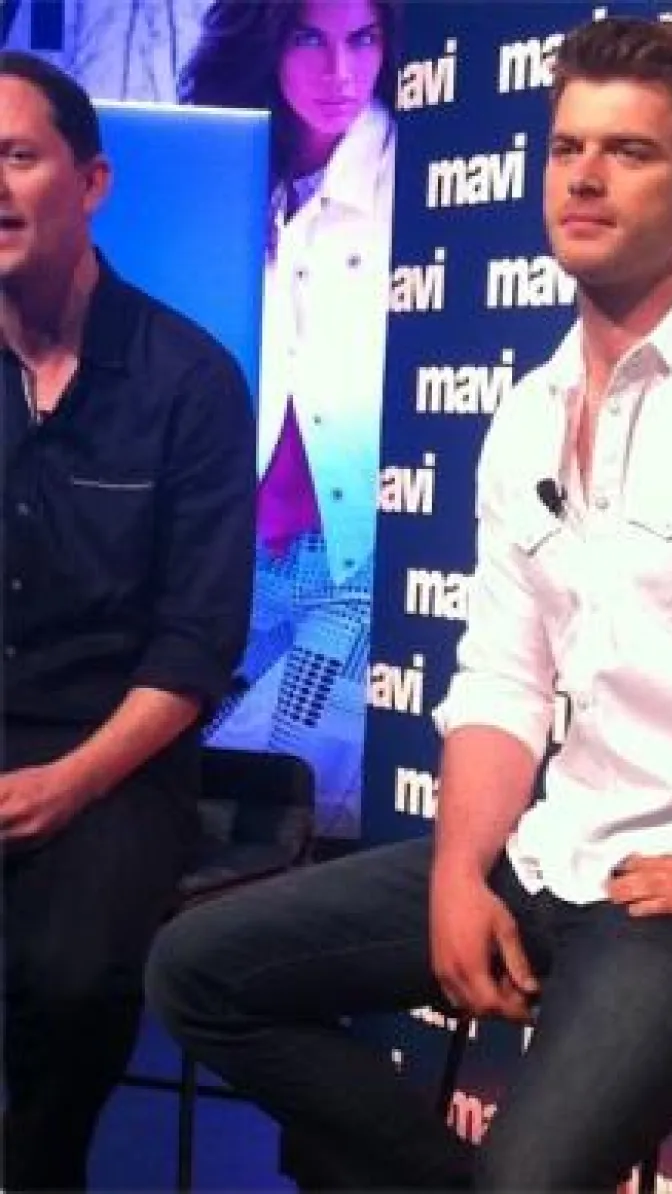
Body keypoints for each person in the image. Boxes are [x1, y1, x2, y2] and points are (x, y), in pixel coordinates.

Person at [147, 16, 672, 1191]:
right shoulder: (529, 413)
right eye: (567, 148)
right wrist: (460, 875)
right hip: (561, 855)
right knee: (199, 972)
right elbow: (503, 682)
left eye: (630, 152)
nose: (585, 177)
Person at [0, 52, 255, 1191]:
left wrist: (69, 784)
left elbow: (198, 645)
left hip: (113, 755)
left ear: (92, 181)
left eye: (17, 156)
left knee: (71, 979)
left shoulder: (188, 380)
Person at [178, 0, 400, 836]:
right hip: (235, 539)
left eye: (363, 40)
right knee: (182, 755)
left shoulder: (413, 173)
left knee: (292, 769)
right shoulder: (223, 168)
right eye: (310, 38)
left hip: (349, 548)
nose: (341, 73)